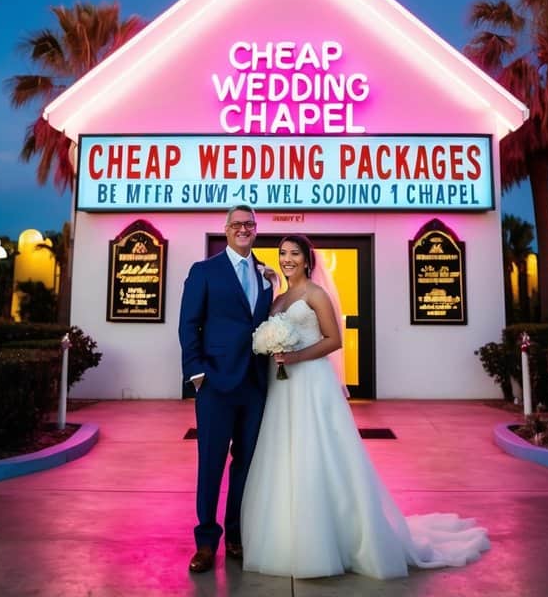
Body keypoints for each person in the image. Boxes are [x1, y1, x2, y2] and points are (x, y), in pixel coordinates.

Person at [241, 234, 490, 580]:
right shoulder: (279, 297)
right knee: (284, 453)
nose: (287, 259)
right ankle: (285, 532)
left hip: (311, 383)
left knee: (317, 452)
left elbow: (334, 340)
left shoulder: (315, 294)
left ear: (307, 259)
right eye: (282, 253)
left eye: (294, 253)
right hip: (281, 387)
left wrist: (294, 356)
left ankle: (332, 537)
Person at [178, 204, 274, 573]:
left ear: (256, 229)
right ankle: (205, 542)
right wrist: (197, 374)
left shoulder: (267, 274)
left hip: (255, 384)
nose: (243, 229)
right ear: (226, 228)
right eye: (237, 224)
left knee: (246, 465)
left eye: (249, 224)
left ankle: (235, 534)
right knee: (211, 465)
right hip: (216, 383)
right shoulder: (204, 271)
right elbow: (189, 325)